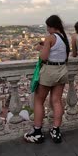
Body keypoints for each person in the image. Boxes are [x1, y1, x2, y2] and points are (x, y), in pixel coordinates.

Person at [24, 15, 70, 144]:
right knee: (56, 101)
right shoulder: (64, 38)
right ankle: (56, 130)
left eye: (48, 27)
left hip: (49, 71)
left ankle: (37, 132)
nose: (47, 29)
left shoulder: (50, 37)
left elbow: (44, 57)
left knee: (39, 100)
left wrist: (41, 48)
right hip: (62, 71)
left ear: (51, 26)